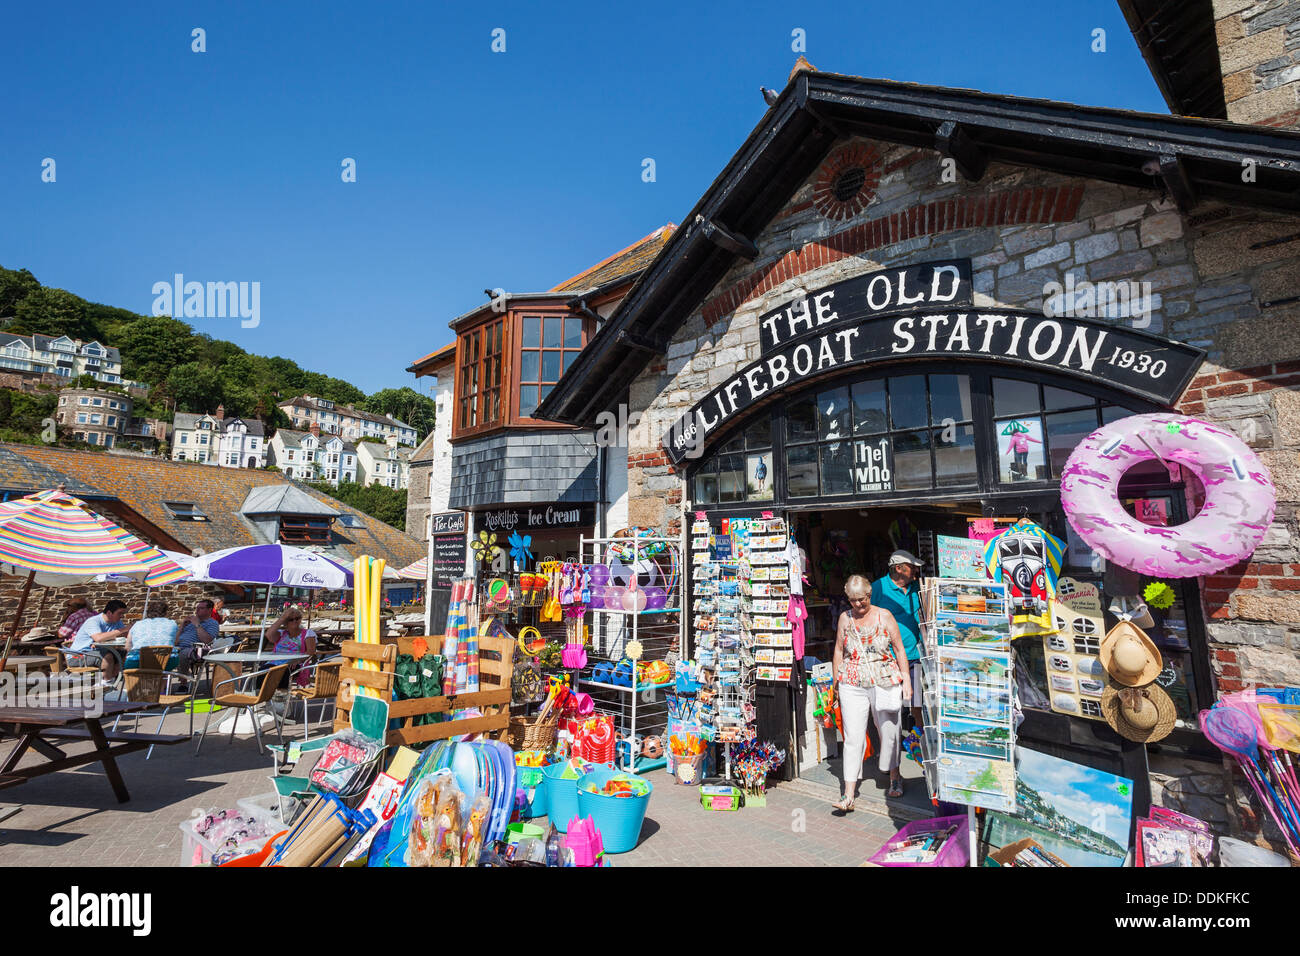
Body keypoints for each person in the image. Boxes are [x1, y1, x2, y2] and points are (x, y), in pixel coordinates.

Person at [832, 575, 911, 810]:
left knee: (888, 730)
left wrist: (906, 679)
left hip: (884, 679)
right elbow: (838, 650)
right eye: (853, 600)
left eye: (862, 599)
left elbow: (899, 648)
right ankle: (848, 793)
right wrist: (836, 680)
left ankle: (895, 775)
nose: (858, 605)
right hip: (852, 681)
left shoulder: (884, 615)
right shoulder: (844, 619)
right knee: (853, 736)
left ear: (870, 595)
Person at [872, 550, 925, 733]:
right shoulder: (878, 588)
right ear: (899, 568)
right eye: (912, 567)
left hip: (915, 654)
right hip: (888, 657)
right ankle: (890, 738)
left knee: (917, 699)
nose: (916, 571)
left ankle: (919, 738)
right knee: (891, 701)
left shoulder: (917, 588)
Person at [68, 599, 129, 681]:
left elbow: (124, 635)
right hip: (78, 656)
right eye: (120, 613)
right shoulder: (93, 621)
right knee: (108, 656)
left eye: (123, 613)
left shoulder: (117, 621)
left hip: (97, 652)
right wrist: (123, 630)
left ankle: (114, 679)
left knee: (124, 652)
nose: (122, 616)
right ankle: (107, 683)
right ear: (109, 613)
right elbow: (98, 638)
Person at [122, 600, 178, 670]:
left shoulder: (137, 624)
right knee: (164, 669)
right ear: (165, 612)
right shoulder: (172, 624)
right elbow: (175, 642)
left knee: (130, 663)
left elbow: (128, 647)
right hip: (166, 661)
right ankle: (163, 680)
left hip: (137, 661)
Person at [268, 607, 317, 687]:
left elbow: (310, 652)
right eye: (291, 619)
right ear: (286, 622)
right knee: (262, 671)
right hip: (275, 662)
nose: (295, 621)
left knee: (281, 673)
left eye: (297, 618)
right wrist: (282, 618)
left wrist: (297, 660)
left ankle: (281, 694)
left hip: (294, 663)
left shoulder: (308, 633)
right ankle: (262, 695)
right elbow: (269, 635)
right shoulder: (281, 634)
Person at [175, 598, 222, 673]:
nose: (197, 610)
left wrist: (197, 624)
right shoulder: (190, 622)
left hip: (195, 650)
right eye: (197, 608)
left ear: (209, 610)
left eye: (201, 608)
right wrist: (182, 626)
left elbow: (207, 640)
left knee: (182, 653)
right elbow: (175, 641)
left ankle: (183, 680)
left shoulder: (213, 623)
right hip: (178, 648)